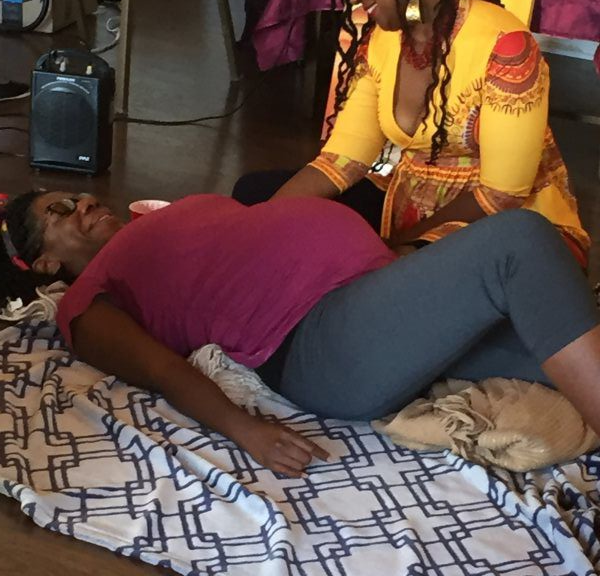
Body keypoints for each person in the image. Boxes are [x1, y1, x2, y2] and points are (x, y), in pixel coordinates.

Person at [1, 189, 600, 477]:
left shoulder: (148, 224)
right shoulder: (83, 302)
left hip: (365, 300)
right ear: (46, 264)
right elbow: (158, 369)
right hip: (317, 342)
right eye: (58, 213)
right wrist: (247, 432)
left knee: (558, 324)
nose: (81, 204)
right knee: (517, 241)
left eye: (76, 196)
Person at [234, 0, 590, 267]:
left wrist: (399, 249)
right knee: (255, 196)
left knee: (401, 268)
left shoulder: (506, 48)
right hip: (409, 209)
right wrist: (260, 224)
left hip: (510, 230)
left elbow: (502, 195)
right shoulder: (383, 39)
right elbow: (341, 161)